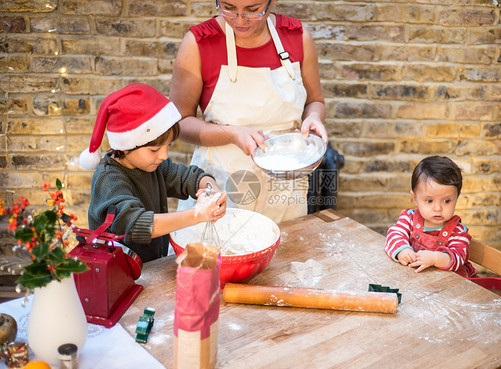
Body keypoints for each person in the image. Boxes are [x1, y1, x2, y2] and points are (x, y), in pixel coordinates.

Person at [169, 0, 328, 223]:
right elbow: (180, 122)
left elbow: (315, 101)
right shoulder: (199, 43)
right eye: (228, 7)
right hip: (222, 181)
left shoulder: (297, 37)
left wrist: (313, 117)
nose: (239, 20)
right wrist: (232, 134)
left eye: (252, 10)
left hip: (284, 184)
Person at [79, 83, 227, 263]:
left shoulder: (153, 166)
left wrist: (212, 191)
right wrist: (197, 214)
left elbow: (190, 177)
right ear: (126, 147)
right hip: (115, 274)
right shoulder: (109, 180)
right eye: (154, 149)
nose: (164, 155)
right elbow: (136, 224)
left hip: (150, 267)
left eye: (168, 146)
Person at [384, 156, 477, 278]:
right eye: (429, 201)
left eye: (447, 201)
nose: (438, 208)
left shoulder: (457, 231)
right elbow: (394, 234)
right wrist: (403, 250)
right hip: (417, 281)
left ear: (456, 198)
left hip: (447, 286)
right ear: (415, 198)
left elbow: (457, 256)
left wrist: (435, 258)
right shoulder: (409, 218)